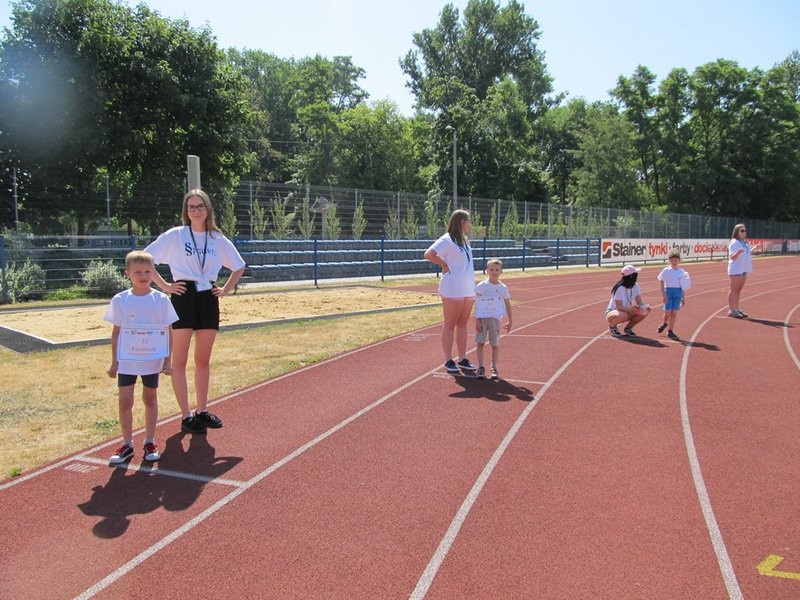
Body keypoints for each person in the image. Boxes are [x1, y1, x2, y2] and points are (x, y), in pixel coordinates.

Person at [145, 189, 246, 434]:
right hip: (183, 294)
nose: (196, 210)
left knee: (203, 359)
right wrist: (167, 286)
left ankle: (202, 410)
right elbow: (145, 259)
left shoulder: (216, 238)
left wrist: (224, 289)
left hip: (208, 296)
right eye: (191, 207)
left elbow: (239, 266)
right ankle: (186, 415)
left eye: (200, 206)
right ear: (185, 211)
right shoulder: (175, 235)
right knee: (179, 360)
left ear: (208, 209)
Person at [105, 250, 179, 464]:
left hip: (152, 361)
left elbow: (168, 330)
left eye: (148, 271)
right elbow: (116, 332)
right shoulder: (120, 300)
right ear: (127, 273)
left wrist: (167, 360)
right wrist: (114, 361)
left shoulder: (161, 299)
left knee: (150, 398)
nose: (143, 275)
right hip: (127, 361)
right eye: (138, 271)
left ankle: (149, 441)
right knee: (125, 401)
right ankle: (127, 444)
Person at [424, 209, 478, 373]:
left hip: (468, 289)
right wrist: (444, 264)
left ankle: (462, 358)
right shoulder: (447, 240)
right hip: (452, 288)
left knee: (463, 324)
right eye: (469, 221)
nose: (470, 224)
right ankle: (448, 359)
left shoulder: (465, 240)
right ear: (462, 222)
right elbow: (428, 254)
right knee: (450, 325)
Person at [474, 258, 512, 380]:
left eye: (496, 270)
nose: (494, 272)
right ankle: (480, 367)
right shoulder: (481, 286)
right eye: (491, 269)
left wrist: (510, 320)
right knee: (480, 342)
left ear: (501, 271)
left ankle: (494, 366)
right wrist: (477, 320)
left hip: (495, 319)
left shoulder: (503, 287)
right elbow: (477, 303)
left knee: (494, 344)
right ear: (487, 271)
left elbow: (507, 304)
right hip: (482, 318)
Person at [605, 264, 651, 337]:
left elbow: (639, 301)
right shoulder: (620, 288)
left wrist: (644, 307)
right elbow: (618, 306)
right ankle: (612, 327)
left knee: (644, 311)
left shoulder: (636, 285)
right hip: (614, 312)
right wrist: (630, 309)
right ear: (631, 276)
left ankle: (628, 328)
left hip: (626, 311)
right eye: (636, 274)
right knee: (622, 315)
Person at [657, 250, 690, 340]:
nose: (674, 262)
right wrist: (663, 295)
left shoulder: (682, 272)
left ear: (679, 260)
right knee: (667, 312)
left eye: (675, 260)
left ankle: (670, 331)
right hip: (668, 291)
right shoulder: (666, 270)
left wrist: (683, 297)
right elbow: (661, 282)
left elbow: (683, 285)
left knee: (674, 313)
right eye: (672, 260)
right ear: (669, 261)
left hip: (678, 292)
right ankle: (664, 323)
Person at [727, 223, 752, 318]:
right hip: (736, 269)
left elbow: (745, 254)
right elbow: (732, 257)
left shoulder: (744, 242)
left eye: (745, 230)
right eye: (742, 230)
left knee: (738, 290)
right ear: (737, 231)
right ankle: (732, 310)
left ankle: (736, 308)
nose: (744, 232)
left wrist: (752, 249)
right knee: (734, 290)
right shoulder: (734, 242)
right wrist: (738, 252)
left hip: (744, 269)